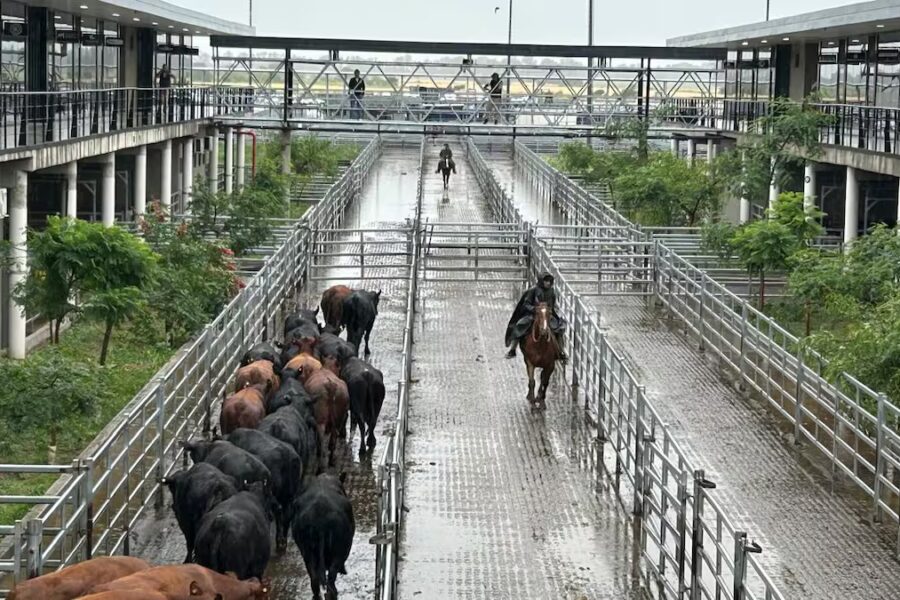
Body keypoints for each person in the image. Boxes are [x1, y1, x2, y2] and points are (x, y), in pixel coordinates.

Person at [504, 272, 568, 362]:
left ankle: (561, 351)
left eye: (549, 281)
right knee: (520, 325)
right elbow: (526, 304)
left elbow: (553, 305)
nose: (548, 283)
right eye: (546, 281)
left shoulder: (551, 291)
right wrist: (534, 309)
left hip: (547, 315)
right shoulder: (533, 290)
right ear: (542, 281)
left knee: (559, 328)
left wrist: (550, 311)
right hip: (533, 315)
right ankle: (512, 349)